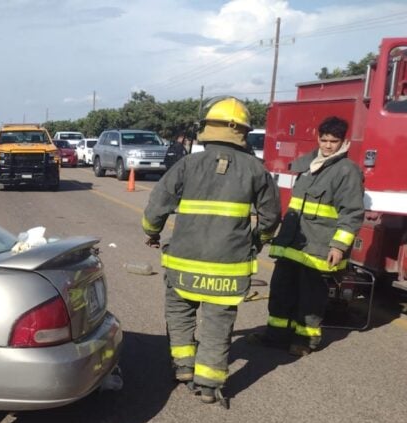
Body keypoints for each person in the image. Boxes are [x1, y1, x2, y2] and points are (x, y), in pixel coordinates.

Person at [142, 96, 280, 406]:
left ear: (207, 129)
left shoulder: (187, 164)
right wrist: (257, 240)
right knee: (219, 321)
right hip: (229, 267)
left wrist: (152, 232)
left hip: (183, 262)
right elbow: (271, 219)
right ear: (243, 132)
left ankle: (183, 366)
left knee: (179, 312)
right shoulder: (257, 170)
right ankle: (208, 385)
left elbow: (156, 207)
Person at [254, 116, 364, 356]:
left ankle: (304, 341)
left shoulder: (347, 172)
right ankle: (276, 336)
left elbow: (352, 213)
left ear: (343, 141)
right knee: (282, 290)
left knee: (310, 297)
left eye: (333, 141)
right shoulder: (309, 166)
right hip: (292, 244)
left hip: (318, 247)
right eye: (324, 140)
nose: (327, 145)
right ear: (317, 137)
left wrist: (337, 246)